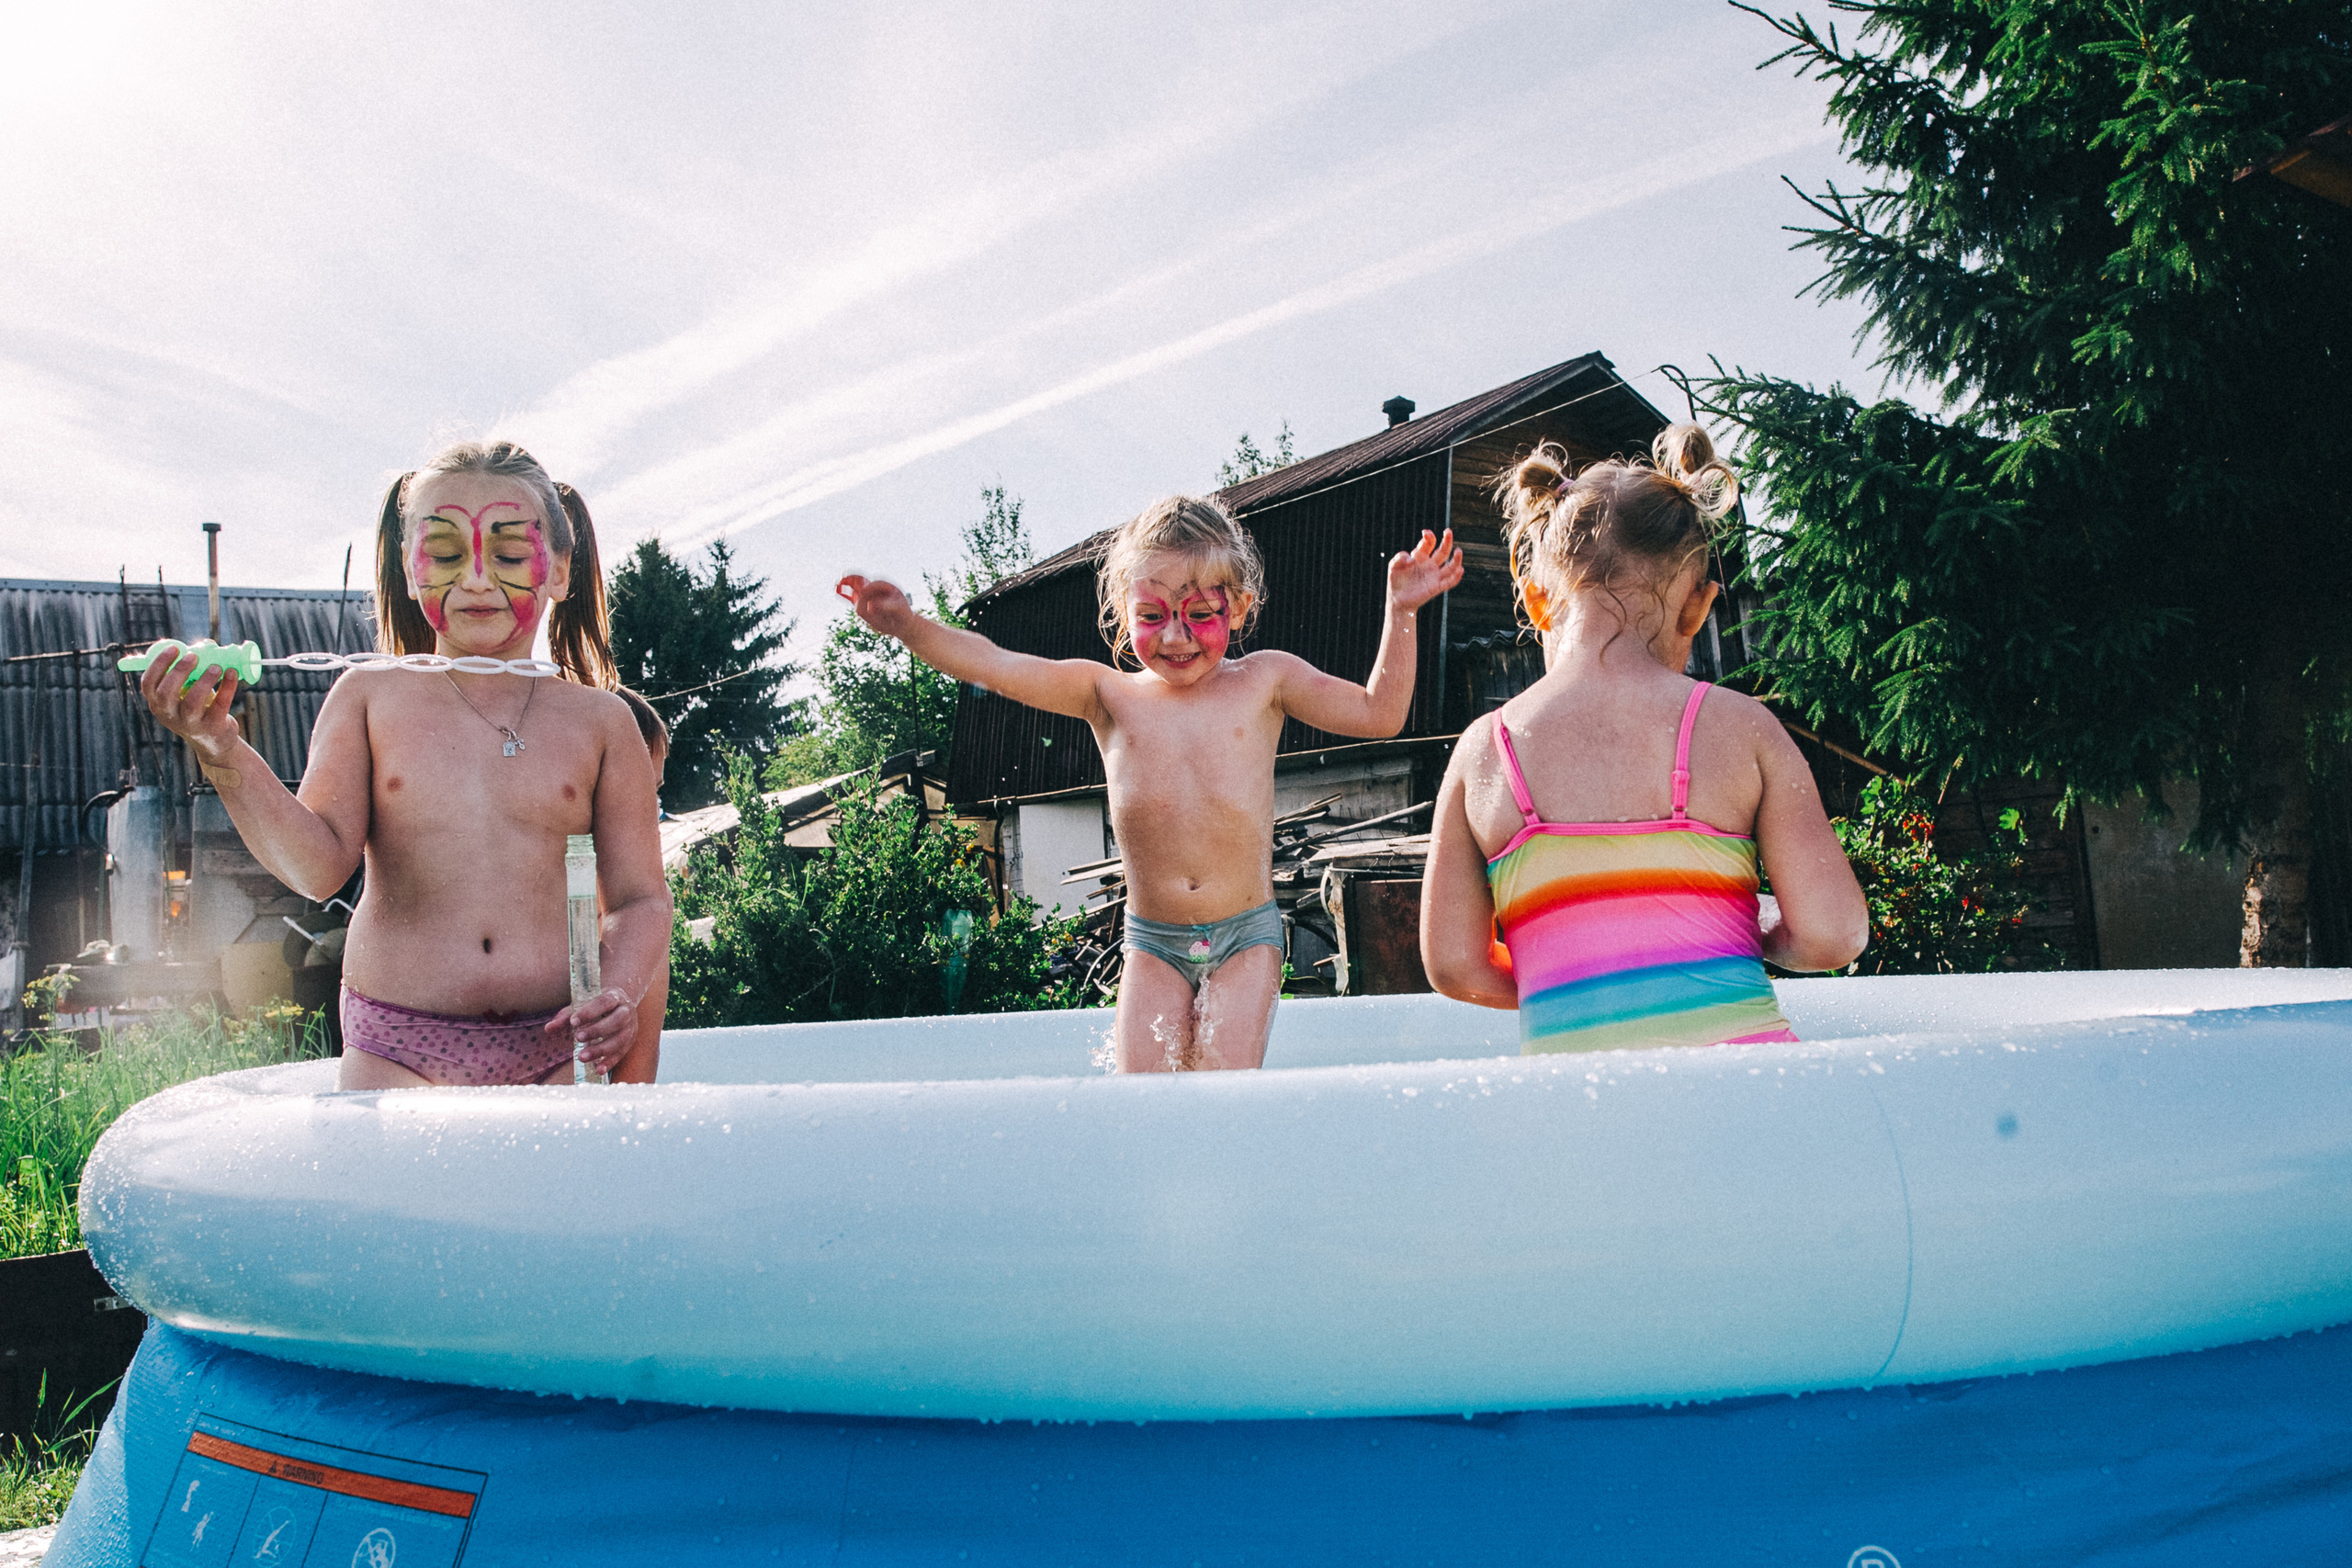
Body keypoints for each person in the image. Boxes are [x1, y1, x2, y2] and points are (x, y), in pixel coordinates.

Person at [839, 495, 1462, 1072]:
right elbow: (996, 665)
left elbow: (1380, 714)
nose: (1175, 636)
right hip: (1154, 943)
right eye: (1151, 616)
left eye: (1201, 615)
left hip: (1244, 935)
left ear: (1239, 606)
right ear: (1123, 612)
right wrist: (909, 627)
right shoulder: (1107, 695)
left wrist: (1401, 612)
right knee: (1145, 1095)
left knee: (1221, 1082)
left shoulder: (1265, 681)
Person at [140, 441, 671, 1087]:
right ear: (410, 567)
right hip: (398, 1043)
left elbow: (641, 899)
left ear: (559, 571)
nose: (476, 579)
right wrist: (220, 747)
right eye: (446, 554)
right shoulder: (368, 699)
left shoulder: (602, 723)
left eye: (508, 555)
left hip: (554, 1043)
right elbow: (315, 869)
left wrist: (617, 989)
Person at [1419, 424, 1866, 1051]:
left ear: (1536, 602)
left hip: (1580, 1099)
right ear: (1698, 607)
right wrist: (1752, 932)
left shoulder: (1484, 750)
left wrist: (1578, 970)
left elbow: (1453, 965)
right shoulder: (1743, 727)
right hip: (1755, 1089)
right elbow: (1833, 935)